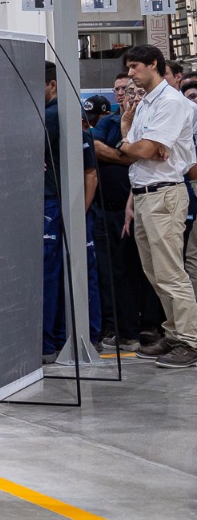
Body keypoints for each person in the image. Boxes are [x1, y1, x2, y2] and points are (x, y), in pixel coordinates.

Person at [109, 46, 197, 368]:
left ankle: (191, 340)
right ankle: (173, 333)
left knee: (171, 272)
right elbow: (133, 148)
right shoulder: (145, 103)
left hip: (164, 194)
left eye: (135, 67)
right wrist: (130, 139)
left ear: (154, 64)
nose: (130, 74)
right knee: (155, 272)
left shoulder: (171, 102)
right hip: (144, 193)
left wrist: (136, 147)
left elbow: (143, 150)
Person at [41, 63, 102, 360]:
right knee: (70, 272)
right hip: (63, 206)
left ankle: (56, 340)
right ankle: (76, 335)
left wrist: (76, 213)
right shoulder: (58, 116)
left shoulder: (54, 116)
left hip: (58, 205)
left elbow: (90, 173)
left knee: (59, 273)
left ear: (53, 85)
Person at [93, 75, 156, 348]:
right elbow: (95, 147)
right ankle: (125, 329)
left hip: (143, 203)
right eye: (123, 90)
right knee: (116, 272)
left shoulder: (150, 123)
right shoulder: (107, 123)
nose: (128, 95)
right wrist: (127, 155)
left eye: (134, 91)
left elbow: (146, 152)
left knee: (149, 269)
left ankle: (152, 326)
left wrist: (127, 152)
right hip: (110, 211)